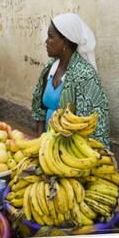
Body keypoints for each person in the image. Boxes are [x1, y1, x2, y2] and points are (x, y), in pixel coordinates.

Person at [31, 13, 111, 148]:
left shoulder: (85, 76)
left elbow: (91, 128)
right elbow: (40, 109)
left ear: (65, 42)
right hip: (47, 147)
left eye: (51, 36)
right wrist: (41, 141)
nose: (46, 41)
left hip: (73, 150)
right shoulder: (50, 68)